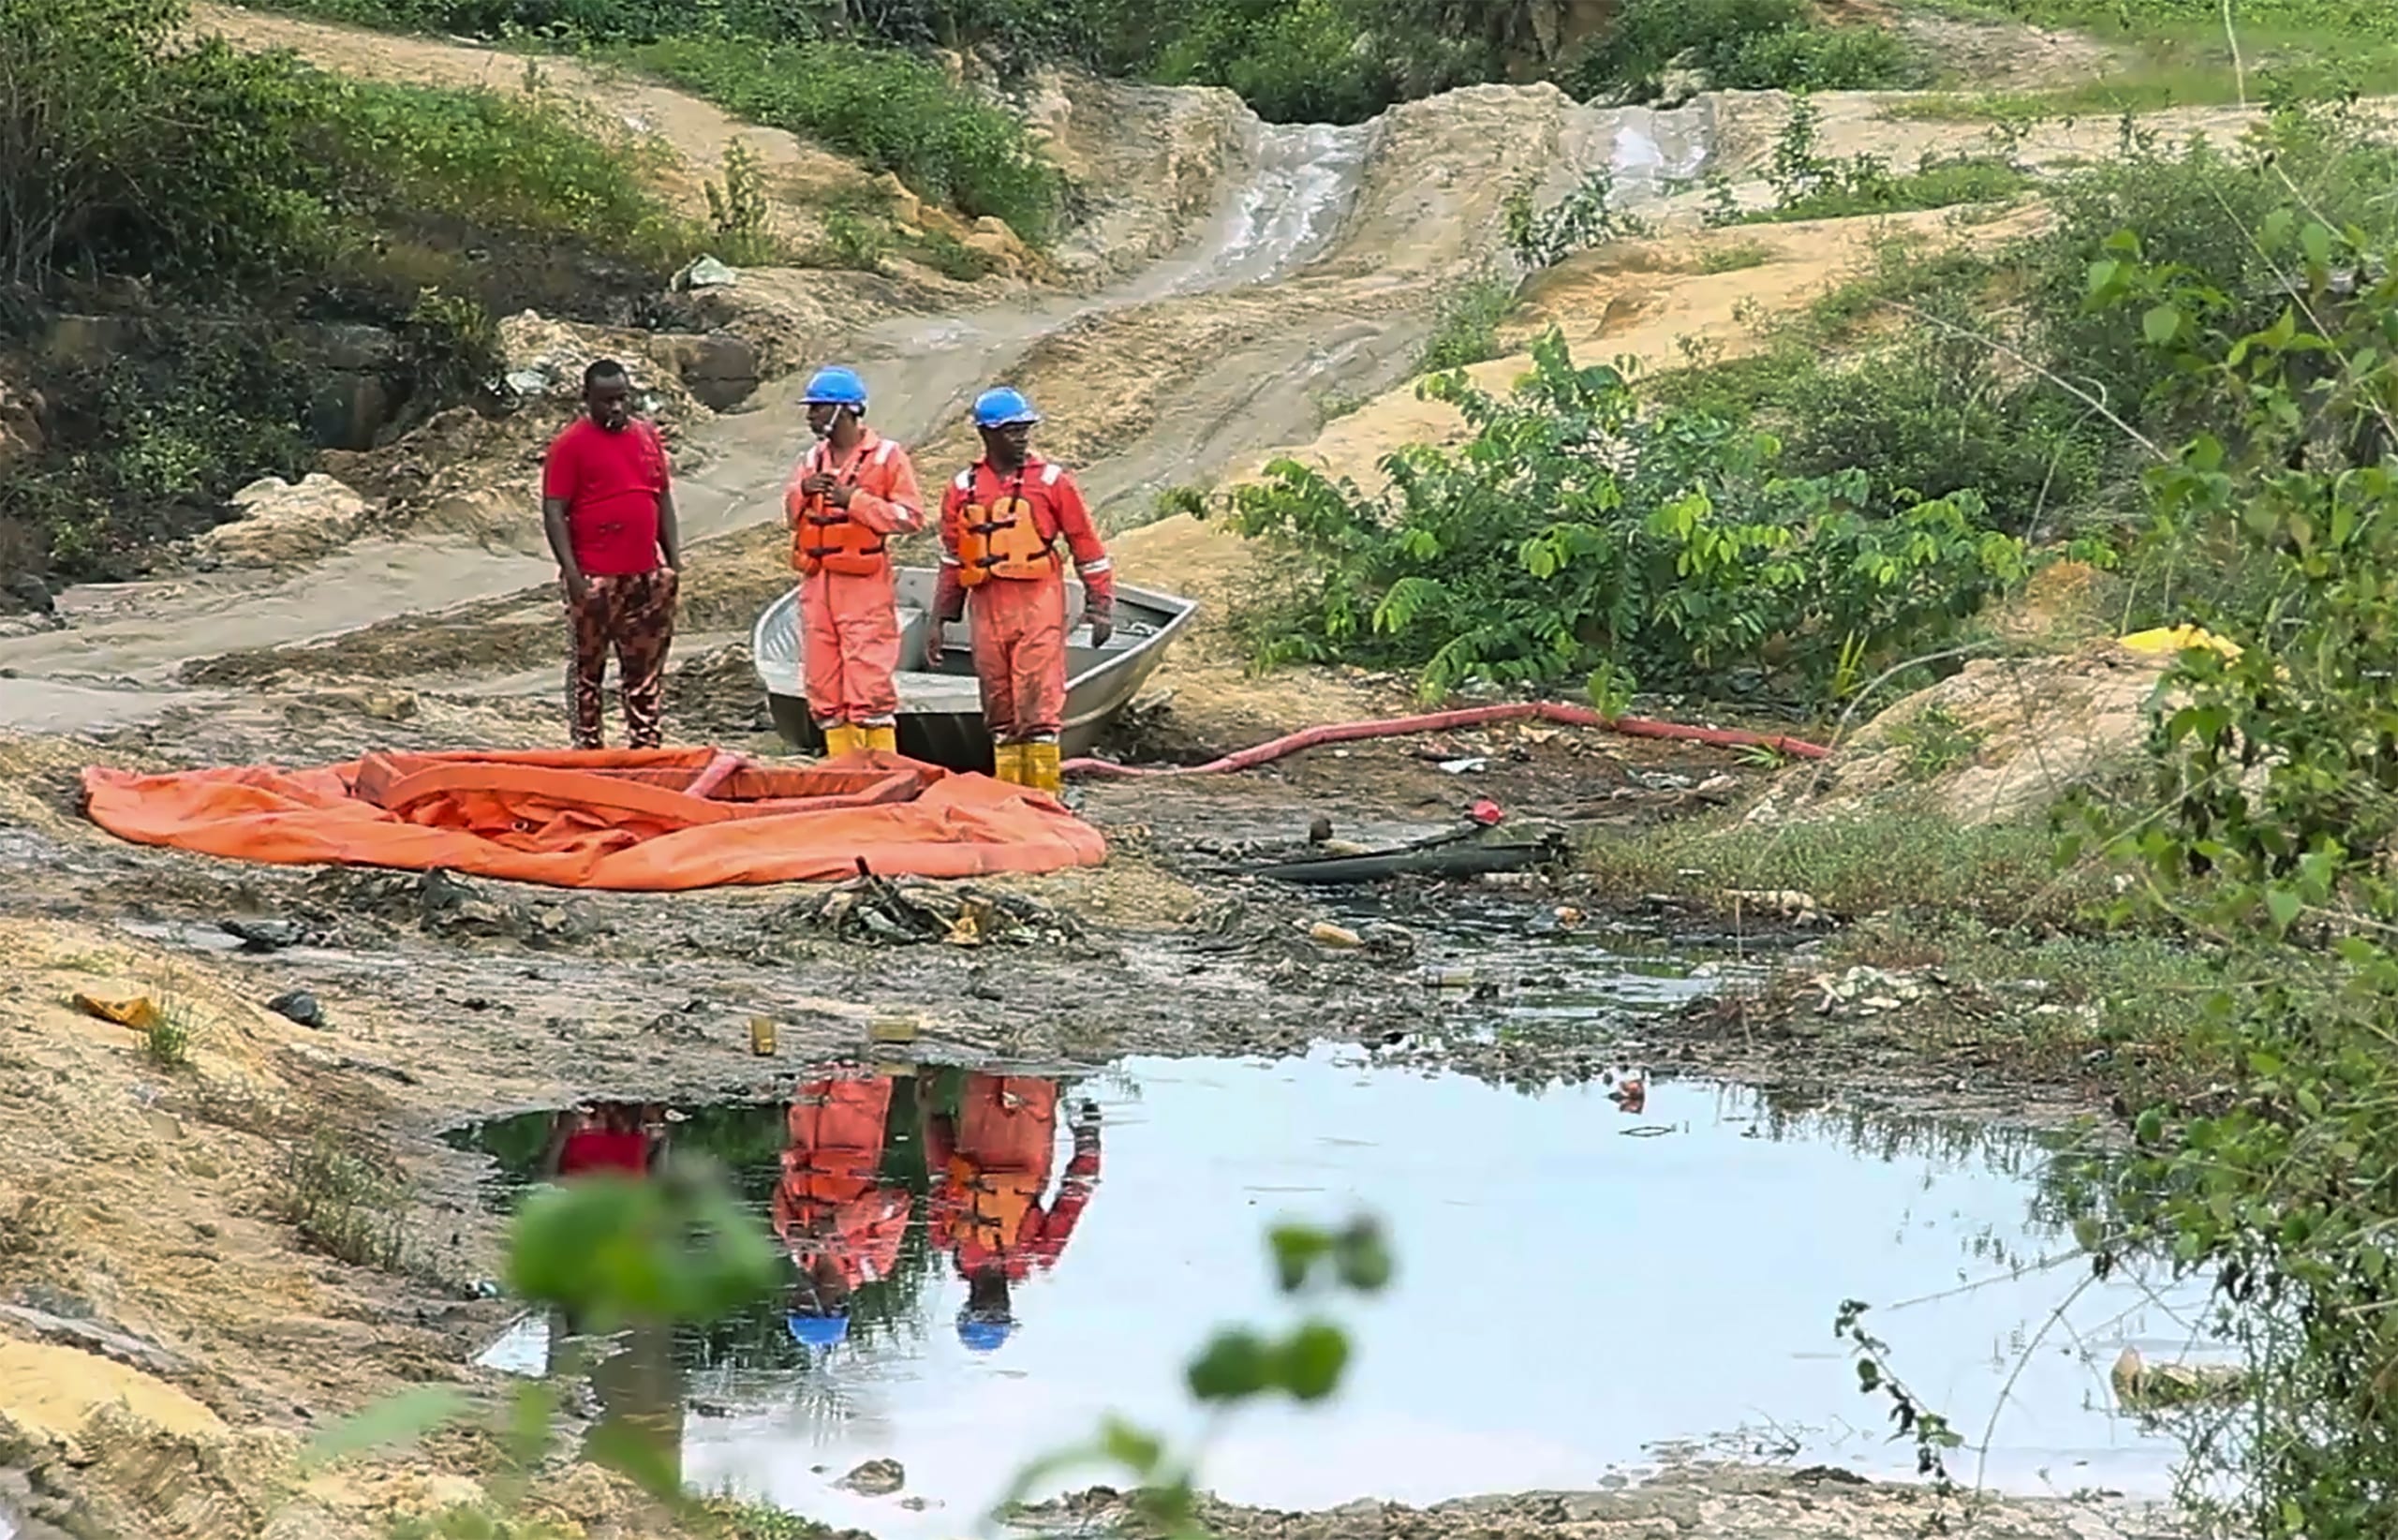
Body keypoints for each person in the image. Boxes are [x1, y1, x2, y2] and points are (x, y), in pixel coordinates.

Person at [930, 387, 1115, 793]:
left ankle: (1044, 800)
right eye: (1012, 430)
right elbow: (952, 556)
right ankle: (1010, 801)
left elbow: (1086, 544)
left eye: (1025, 430)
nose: (1022, 438)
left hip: (1037, 604)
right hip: (986, 608)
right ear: (987, 434)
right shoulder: (962, 488)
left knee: (1038, 703)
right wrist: (941, 617)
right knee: (999, 705)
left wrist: (1101, 604)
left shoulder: (1052, 482)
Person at [785, 367, 925, 758]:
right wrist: (802, 492)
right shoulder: (811, 459)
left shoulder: (887, 457)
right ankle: (842, 771)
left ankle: (882, 773)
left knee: (869, 682)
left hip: (863, 585)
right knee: (823, 683)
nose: (810, 415)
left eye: (818, 408)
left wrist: (856, 502)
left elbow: (910, 517)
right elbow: (790, 514)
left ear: (844, 410)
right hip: (818, 583)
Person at [541, 360, 682, 750]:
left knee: (645, 667)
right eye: (606, 401)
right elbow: (554, 509)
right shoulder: (569, 446)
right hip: (595, 576)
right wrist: (571, 573)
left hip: (647, 574)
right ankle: (587, 745)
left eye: (622, 399)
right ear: (587, 400)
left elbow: (661, 497)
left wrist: (672, 561)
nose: (616, 408)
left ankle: (645, 743)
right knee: (589, 667)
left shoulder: (647, 436)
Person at [921, 1072, 1101, 1355]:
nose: (997, 1307)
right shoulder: (1038, 1256)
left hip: (978, 1135)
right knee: (1034, 1067)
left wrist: (935, 1118)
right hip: (1030, 1141)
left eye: (987, 1314)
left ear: (969, 1307)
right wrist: (1088, 1145)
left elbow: (941, 1175)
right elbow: (1073, 1198)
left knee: (986, 1061)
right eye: (1001, 1316)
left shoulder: (947, 1240)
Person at [773, 1072, 914, 1353]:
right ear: (832, 1306)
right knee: (859, 1065)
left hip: (805, 1136)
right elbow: (896, 1203)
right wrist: (840, 1224)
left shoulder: (800, 1256)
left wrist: (788, 1228)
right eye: (804, 1306)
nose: (797, 1296)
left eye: (794, 1305)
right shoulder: (873, 1264)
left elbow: (779, 1193)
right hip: (852, 1136)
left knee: (812, 1055)